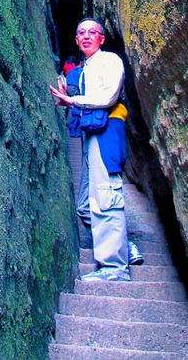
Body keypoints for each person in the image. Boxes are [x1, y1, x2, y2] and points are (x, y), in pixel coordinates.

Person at [51, 18, 133, 281]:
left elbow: (108, 97)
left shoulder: (110, 61)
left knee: (106, 196)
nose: (86, 36)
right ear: (76, 40)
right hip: (91, 135)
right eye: (81, 33)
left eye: (92, 32)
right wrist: (68, 101)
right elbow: (83, 102)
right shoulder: (84, 69)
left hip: (107, 131)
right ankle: (122, 247)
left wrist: (74, 100)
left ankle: (114, 268)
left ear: (102, 38)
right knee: (86, 205)